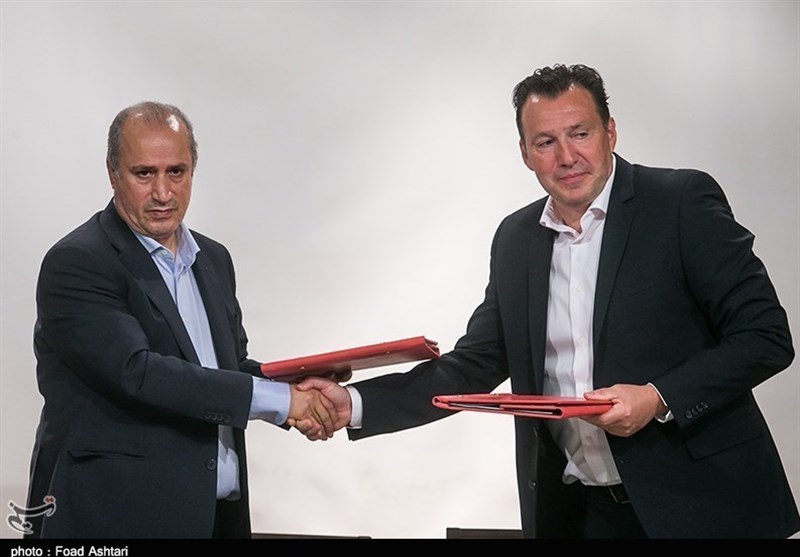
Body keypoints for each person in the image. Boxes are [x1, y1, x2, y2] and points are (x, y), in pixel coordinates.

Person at [295, 64, 800, 538]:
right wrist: (356, 403)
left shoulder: (680, 201)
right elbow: (474, 364)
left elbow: (765, 337)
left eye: (580, 133)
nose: (566, 157)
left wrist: (657, 397)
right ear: (524, 152)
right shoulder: (516, 238)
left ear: (610, 132)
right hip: (580, 515)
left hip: (707, 505)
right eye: (545, 142)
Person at [24, 101, 338, 538]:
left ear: (193, 170)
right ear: (112, 173)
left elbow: (225, 371)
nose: (163, 193)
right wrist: (283, 401)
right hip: (116, 522)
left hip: (215, 520)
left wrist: (299, 388)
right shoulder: (78, 262)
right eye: (144, 173)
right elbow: (138, 373)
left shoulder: (213, 258)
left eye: (176, 172)